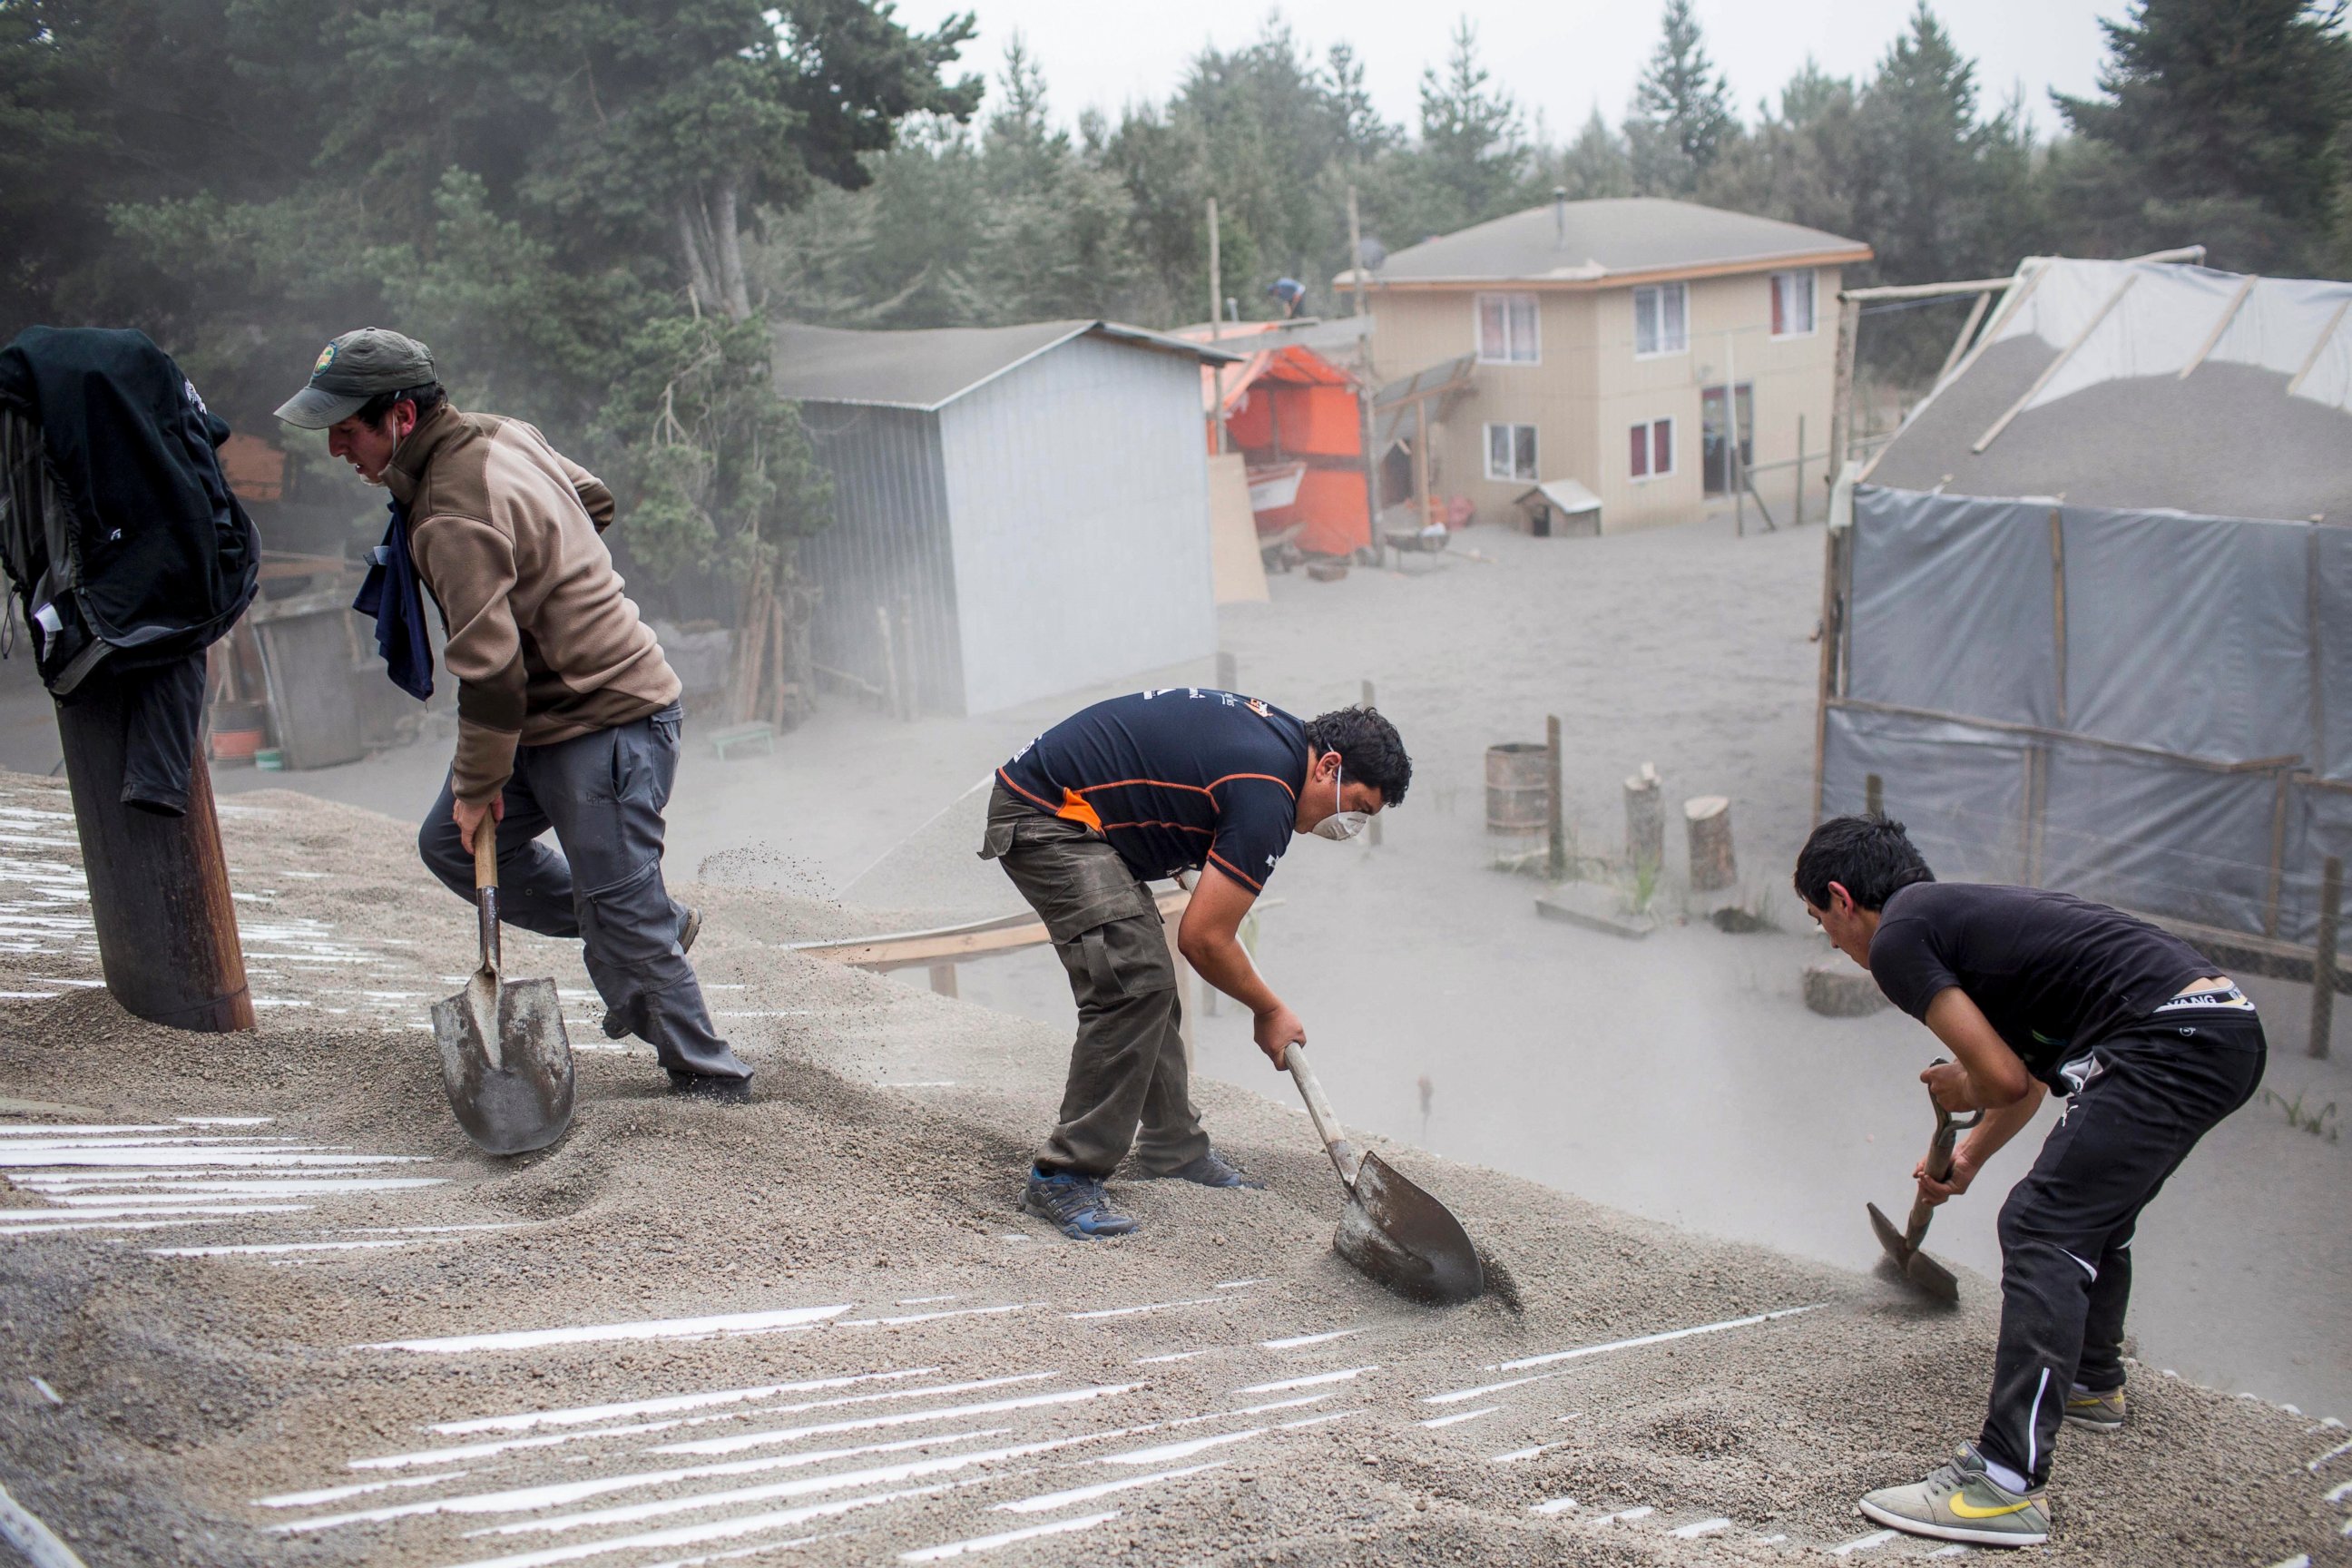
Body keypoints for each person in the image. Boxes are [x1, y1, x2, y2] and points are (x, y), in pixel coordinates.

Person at [275, 328, 752, 1095]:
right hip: (545, 716)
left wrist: (477, 783)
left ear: (400, 416)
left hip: (608, 717)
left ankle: (710, 1080)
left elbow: (491, 674)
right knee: (453, 848)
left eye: (346, 427)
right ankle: (644, 917)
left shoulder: (447, 514)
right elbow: (594, 497)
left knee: (622, 917)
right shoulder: (502, 432)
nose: (334, 445)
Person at [1795, 814, 2266, 1549]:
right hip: (2218, 1026)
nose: (1829, 938)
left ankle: (2002, 1486)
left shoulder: (1898, 939)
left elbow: (1999, 1077)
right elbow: (2028, 1081)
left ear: (1841, 897)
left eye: (1821, 919)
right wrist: (1972, 1156)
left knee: (2043, 1223)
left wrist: (1960, 1084)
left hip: (2168, 1037)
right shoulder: (1972, 929)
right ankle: (2090, 1381)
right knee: (2090, 1211)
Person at [982, 691, 1408, 1239]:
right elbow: (1205, 939)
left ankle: (1173, 1150)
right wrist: (1268, 1009)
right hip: (1048, 816)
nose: (1348, 826)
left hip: (1088, 818)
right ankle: (1063, 1175)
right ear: (1329, 766)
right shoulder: (1268, 793)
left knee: (1148, 982)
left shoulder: (1278, 742)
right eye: (1357, 809)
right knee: (1134, 982)